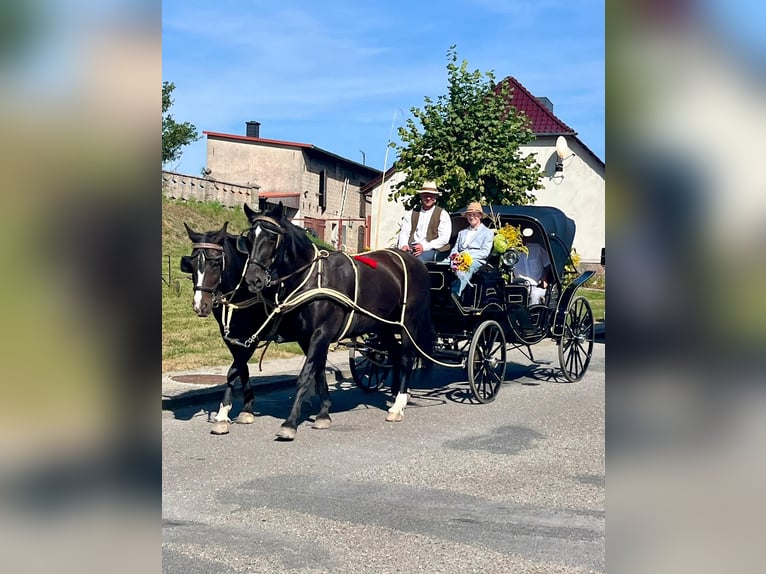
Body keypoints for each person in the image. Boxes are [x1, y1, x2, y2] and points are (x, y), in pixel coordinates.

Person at [449, 201, 494, 299]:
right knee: (441, 265)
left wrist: (466, 257)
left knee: (467, 267)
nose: (471, 217)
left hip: (476, 260)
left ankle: (455, 293)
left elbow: (485, 252)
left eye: (474, 215)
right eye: (469, 215)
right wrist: (454, 256)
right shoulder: (462, 232)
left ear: (480, 216)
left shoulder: (487, 233)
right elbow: (455, 248)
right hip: (459, 258)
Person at [397, 181, 452, 261]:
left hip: (432, 248)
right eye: (425, 195)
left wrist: (423, 246)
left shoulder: (442, 214)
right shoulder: (411, 213)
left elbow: (444, 238)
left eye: (431, 196)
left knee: (415, 261)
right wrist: (403, 245)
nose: (428, 198)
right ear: (421, 196)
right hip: (411, 247)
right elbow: (404, 232)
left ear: (436, 197)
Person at [514, 239, 552, 305]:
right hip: (519, 287)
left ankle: (533, 314)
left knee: (534, 294)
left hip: (537, 286)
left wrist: (544, 278)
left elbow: (548, 264)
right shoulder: (511, 252)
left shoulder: (536, 248)